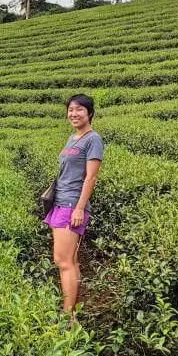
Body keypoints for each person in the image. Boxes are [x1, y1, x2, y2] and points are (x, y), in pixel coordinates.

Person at [43, 93, 104, 319]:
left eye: (79, 109)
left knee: (63, 261)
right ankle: (72, 310)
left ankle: (67, 315)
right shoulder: (73, 138)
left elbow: (91, 177)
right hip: (60, 202)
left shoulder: (93, 139)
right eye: (70, 109)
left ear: (89, 113)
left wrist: (79, 208)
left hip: (71, 205)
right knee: (70, 260)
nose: (74, 114)